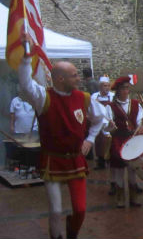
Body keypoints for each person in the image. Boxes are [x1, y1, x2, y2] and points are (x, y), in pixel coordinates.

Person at [18, 33, 106, 239]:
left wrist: (90, 139)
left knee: (81, 209)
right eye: (74, 75)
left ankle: (72, 232)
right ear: (60, 79)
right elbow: (25, 83)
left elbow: (100, 118)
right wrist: (25, 55)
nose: (79, 78)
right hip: (53, 160)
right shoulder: (43, 98)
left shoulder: (84, 98)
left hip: (75, 159)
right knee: (55, 210)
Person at [105, 76, 143, 208]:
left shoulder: (135, 104)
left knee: (132, 168)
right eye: (123, 88)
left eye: (128, 88)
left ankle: (134, 198)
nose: (126, 91)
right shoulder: (110, 106)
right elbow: (106, 127)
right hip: (118, 139)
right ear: (117, 90)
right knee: (118, 169)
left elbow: (140, 121)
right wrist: (110, 125)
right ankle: (120, 197)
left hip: (132, 139)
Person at [90, 75, 114, 170]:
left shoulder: (112, 96)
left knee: (110, 142)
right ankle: (101, 162)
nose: (107, 88)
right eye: (104, 86)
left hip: (110, 122)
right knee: (99, 143)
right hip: (99, 122)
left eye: (108, 86)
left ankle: (110, 160)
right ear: (100, 86)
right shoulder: (94, 96)